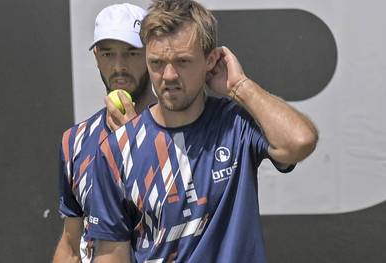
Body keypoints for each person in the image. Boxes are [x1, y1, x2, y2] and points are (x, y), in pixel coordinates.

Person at [87, 0, 318, 262]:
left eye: (183, 61)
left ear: (210, 61)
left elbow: (300, 141)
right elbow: (111, 256)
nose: (169, 75)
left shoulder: (236, 124)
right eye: (157, 63)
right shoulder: (116, 149)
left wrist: (240, 86)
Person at [52, 3, 156, 263]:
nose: (119, 66)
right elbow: (71, 245)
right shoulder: (75, 141)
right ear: (97, 56)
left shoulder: (177, 133)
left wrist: (136, 144)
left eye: (131, 53)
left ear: (151, 55)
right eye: (109, 54)